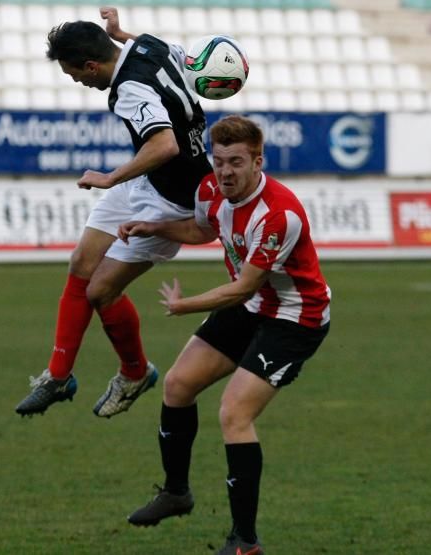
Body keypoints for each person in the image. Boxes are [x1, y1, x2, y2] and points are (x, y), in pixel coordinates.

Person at [119, 116, 331, 555]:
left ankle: (245, 542)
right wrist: (154, 227)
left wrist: (184, 305)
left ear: (258, 161)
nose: (225, 172)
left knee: (234, 414)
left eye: (236, 162)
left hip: (295, 318)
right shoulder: (212, 191)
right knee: (177, 385)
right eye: (218, 162)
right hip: (251, 307)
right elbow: (203, 229)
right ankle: (176, 492)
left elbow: (244, 286)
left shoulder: (279, 214)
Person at [14, 7, 212, 419]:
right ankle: (58, 375)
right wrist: (121, 32)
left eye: (76, 75)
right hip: (149, 181)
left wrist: (110, 177)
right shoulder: (146, 44)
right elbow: (171, 55)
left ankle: (135, 373)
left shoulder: (129, 90)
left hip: (173, 197)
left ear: (91, 64)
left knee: (100, 291)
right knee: (81, 262)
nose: (79, 82)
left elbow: (165, 145)